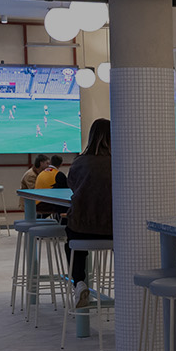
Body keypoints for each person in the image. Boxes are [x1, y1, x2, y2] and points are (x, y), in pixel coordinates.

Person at [66, 119, 113, 286]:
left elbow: (71, 184)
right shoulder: (119, 163)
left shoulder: (79, 162)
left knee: (72, 245)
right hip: (113, 229)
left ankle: (79, 282)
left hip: (81, 227)